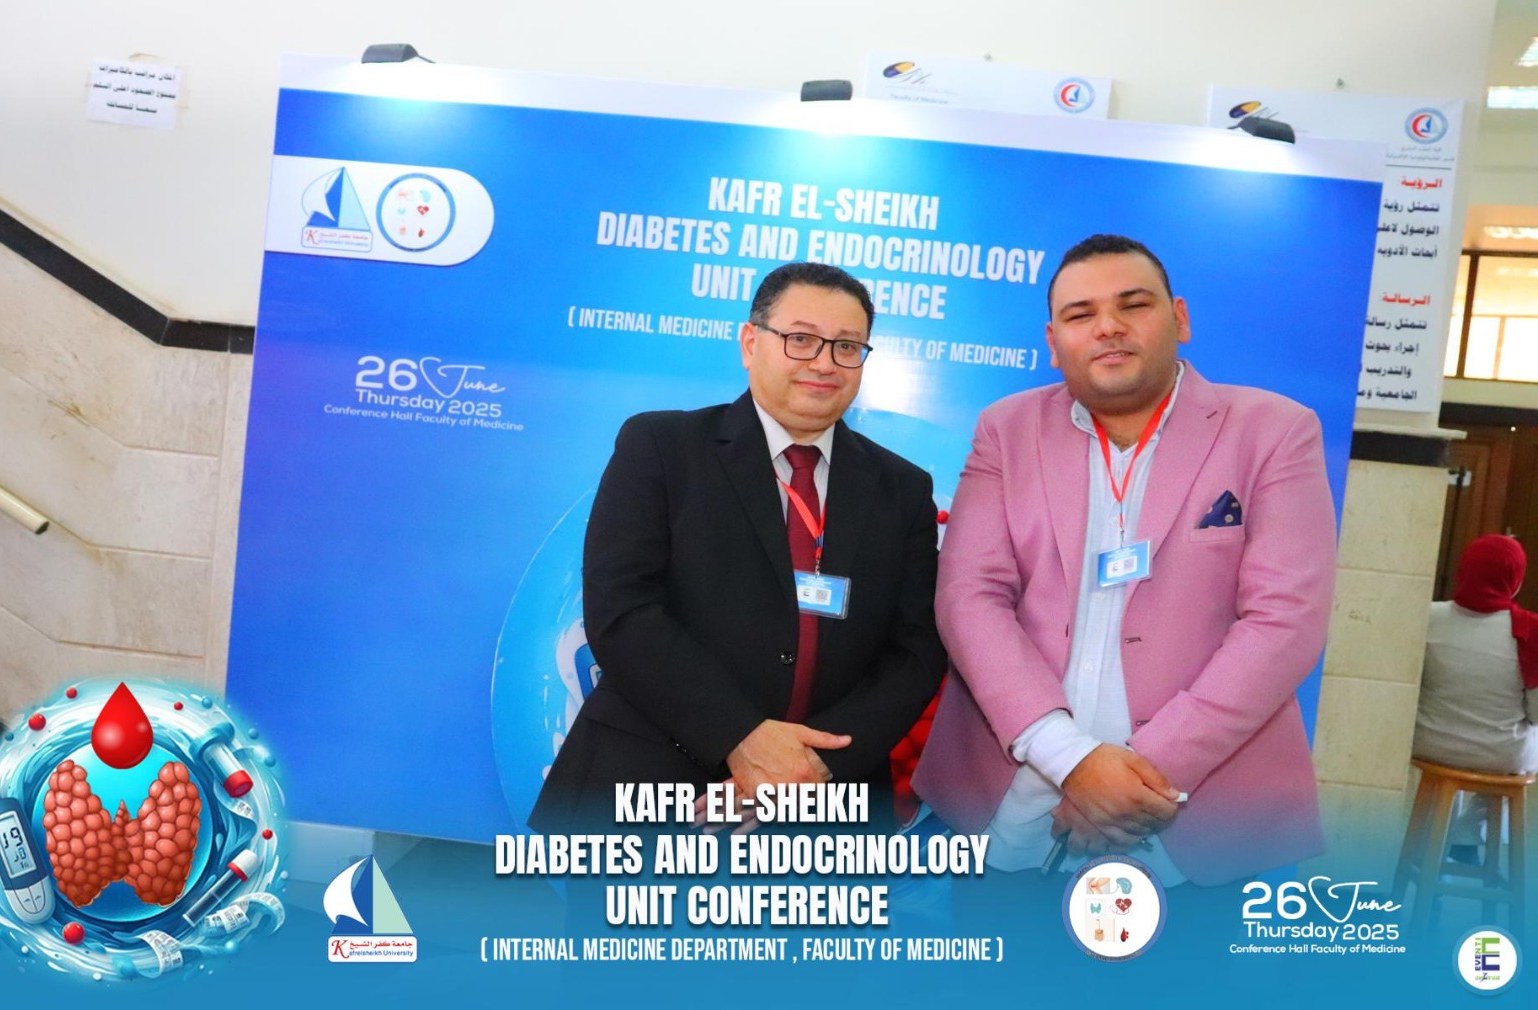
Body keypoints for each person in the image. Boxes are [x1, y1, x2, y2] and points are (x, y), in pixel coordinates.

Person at [913, 234, 1338, 893]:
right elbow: (969, 597)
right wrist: (1072, 761)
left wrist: (1133, 781)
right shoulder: (1006, 429)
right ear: (1053, 342)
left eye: (1133, 305)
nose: (1108, 326)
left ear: (1180, 318)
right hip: (1016, 813)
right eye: (1080, 314)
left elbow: (1285, 622)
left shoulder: (1273, 430)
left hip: (1193, 824)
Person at [529, 262, 946, 837]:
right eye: (801, 339)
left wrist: (809, 767)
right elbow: (623, 611)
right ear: (751, 343)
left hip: (825, 806)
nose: (824, 362)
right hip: (649, 786)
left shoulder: (902, 488)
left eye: (847, 346)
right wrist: (743, 738)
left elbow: (915, 650)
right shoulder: (662, 447)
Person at [1413, 534, 1538, 860]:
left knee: (1451, 756)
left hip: (1429, 743)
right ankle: (1468, 832)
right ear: (1515, 581)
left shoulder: (1427, 616)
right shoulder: (1529, 631)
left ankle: (1432, 843)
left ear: (1463, 570)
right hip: (1500, 755)